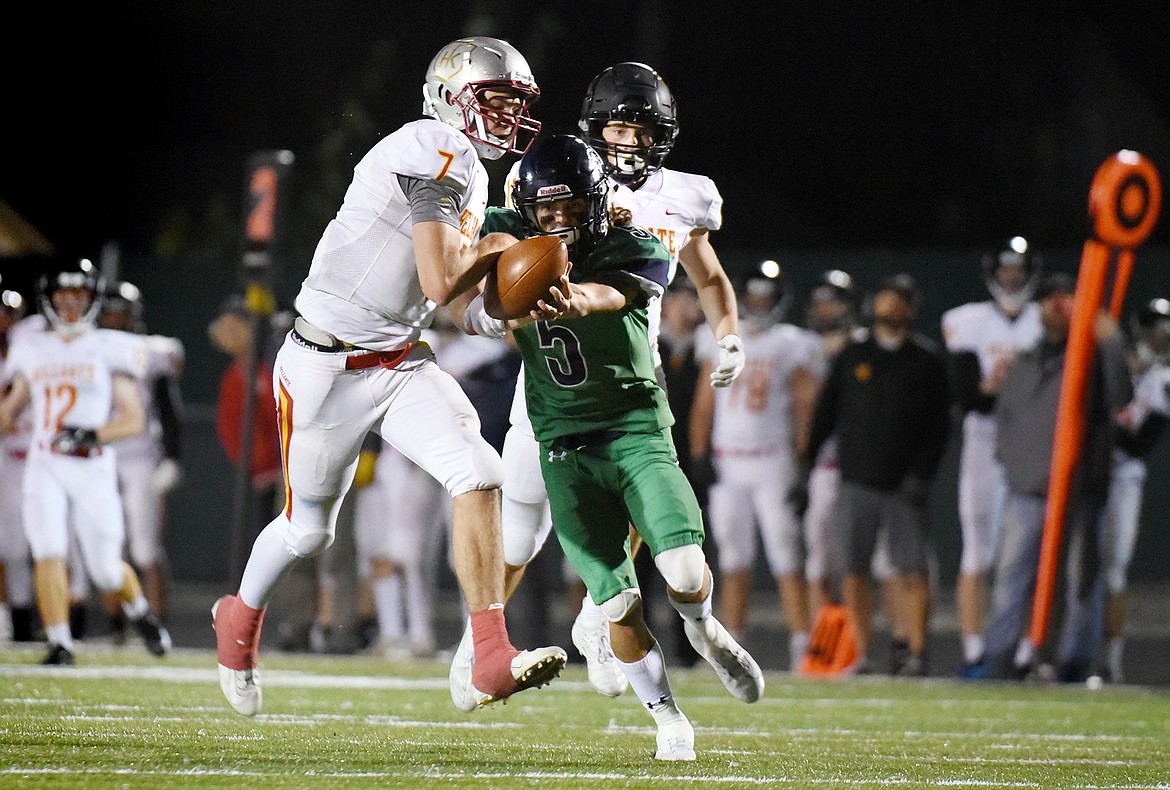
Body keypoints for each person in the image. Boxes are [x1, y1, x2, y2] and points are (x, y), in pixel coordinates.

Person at [210, 36, 566, 717]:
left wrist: (509, 308)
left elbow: (455, 306)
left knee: (480, 474)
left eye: (515, 105)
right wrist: (497, 250)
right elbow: (441, 274)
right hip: (327, 365)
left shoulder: (472, 170)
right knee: (308, 529)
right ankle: (239, 616)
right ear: (451, 100)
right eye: (493, 103)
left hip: (399, 357)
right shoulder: (427, 147)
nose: (505, 119)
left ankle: (488, 654)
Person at [460, 133, 763, 759]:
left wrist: (574, 297)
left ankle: (699, 626)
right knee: (538, 545)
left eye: (571, 208)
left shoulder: (637, 236)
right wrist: (494, 298)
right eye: (546, 213)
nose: (558, 223)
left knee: (678, 567)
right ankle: (490, 647)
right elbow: (470, 300)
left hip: (631, 418)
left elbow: (618, 291)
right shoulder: (509, 228)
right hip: (558, 432)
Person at [0, 258, 171, 665]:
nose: (71, 305)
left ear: (92, 299)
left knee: (106, 571)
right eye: (63, 296)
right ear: (50, 301)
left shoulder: (110, 347)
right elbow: (10, 412)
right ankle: (60, 642)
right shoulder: (31, 347)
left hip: (91, 464)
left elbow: (132, 418)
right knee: (48, 549)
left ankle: (140, 610)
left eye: (79, 296)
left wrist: (90, 434)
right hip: (44, 464)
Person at [969, 273, 1131, 683]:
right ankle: (998, 661)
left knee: (1082, 581)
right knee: (1010, 580)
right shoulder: (1025, 360)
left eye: (1065, 299)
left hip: (1079, 489)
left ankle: (1075, 665)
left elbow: (1121, 398)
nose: (1055, 307)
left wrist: (1109, 341)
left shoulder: (1093, 358)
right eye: (1049, 300)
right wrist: (1014, 465)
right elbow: (1008, 418)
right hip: (1028, 489)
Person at [804, 273, 951, 676]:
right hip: (856, 479)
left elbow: (940, 427)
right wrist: (807, 464)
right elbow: (826, 414)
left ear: (912, 309)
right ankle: (861, 654)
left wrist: (923, 474)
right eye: (888, 298)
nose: (893, 307)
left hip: (904, 484)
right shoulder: (854, 355)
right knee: (853, 572)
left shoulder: (926, 360)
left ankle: (916, 653)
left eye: (901, 300)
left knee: (911, 570)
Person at [689, 264, 825, 672]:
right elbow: (703, 404)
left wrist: (802, 464)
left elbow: (805, 408)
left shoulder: (792, 343)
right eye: (753, 297)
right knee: (732, 558)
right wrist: (699, 456)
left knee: (787, 556)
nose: (758, 305)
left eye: (766, 298)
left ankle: (804, 648)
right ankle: (733, 646)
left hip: (773, 461)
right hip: (729, 462)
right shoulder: (717, 337)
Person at [941, 237, 1043, 674]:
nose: (1012, 279)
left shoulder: (1045, 320)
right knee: (978, 553)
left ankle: (1025, 650)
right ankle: (975, 650)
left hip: (1032, 446)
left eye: (1018, 271)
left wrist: (996, 388)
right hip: (984, 445)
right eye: (1006, 271)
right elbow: (970, 397)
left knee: (1028, 556)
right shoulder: (970, 321)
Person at [98, 281, 185, 632]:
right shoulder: (87, 349)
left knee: (146, 548)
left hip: (140, 457)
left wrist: (172, 457)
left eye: (122, 313)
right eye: (111, 312)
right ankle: (115, 625)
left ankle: (156, 623)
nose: (116, 320)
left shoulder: (150, 352)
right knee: (106, 543)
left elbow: (168, 406)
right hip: (99, 454)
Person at [1097, 298, 1170, 682]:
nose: (1161, 339)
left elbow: (1138, 444)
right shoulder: (1110, 361)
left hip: (1124, 477)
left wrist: (1104, 428)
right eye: (1157, 330)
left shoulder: (1162, 380)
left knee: (1114, 573)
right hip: (1087, 473)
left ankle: (1111, 660)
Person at [0, 286, 36, 642]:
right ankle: (9, 620)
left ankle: (30, 623)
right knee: (8, 546)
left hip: (40, 456)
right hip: (7, 455)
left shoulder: (35, 350)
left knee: (35, 546)